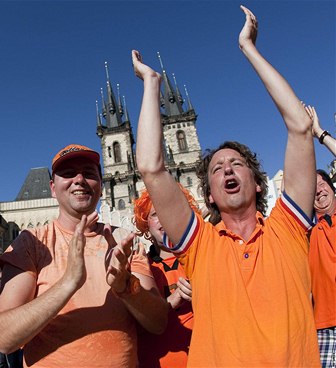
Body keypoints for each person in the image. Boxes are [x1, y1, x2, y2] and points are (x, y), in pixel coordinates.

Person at [132, 6, 319, 367]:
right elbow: (151, 168)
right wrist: (151, 85)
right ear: (210, 194)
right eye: (217, 168)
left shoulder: (289, 229)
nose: (228, 169)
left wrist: (248, 48)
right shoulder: (200, 244)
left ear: (258, 184)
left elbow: (299, 125)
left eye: (237, 163)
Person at [0, 144, 168, 367]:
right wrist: (68, 283)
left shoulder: (125, 241)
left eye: (88, 173)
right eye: (68, 173)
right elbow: (4, 339)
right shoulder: (31, 243)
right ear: (53, 188)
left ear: (101, 186)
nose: (79, 179)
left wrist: (126, 287)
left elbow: (158, 322)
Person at [133, 187, 196, 368]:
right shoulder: (139, 268)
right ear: (145, 224)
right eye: (155, 214)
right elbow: (132, 325)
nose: (164, 218)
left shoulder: (201, 257)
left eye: (170, 210)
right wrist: (170, 302)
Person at [309, 170, 336, 368]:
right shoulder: (305, 234)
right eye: (312, 188)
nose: (318, 190)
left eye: (321, 183)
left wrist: (322, 136)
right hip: (324, 327)